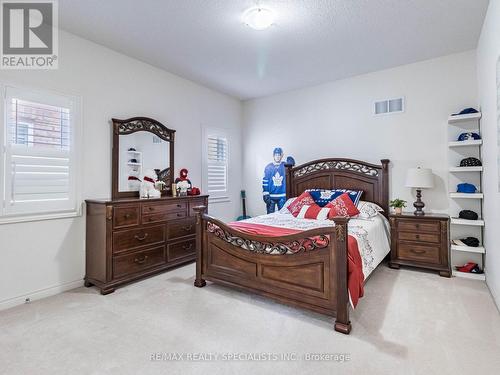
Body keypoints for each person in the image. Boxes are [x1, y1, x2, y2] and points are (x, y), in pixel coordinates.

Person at [262, 148, 294, 213]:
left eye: (279, 155)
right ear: (273, 156)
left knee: (283, 215)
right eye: (276, 155)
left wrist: (290, 160)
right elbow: (265, 181)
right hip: (271, 196)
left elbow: (291, 166)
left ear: (282, 156)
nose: (277, 157)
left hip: (282, 195)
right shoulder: (268, 167)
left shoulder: (285, 165)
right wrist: (265, 193)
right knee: (270, 216)